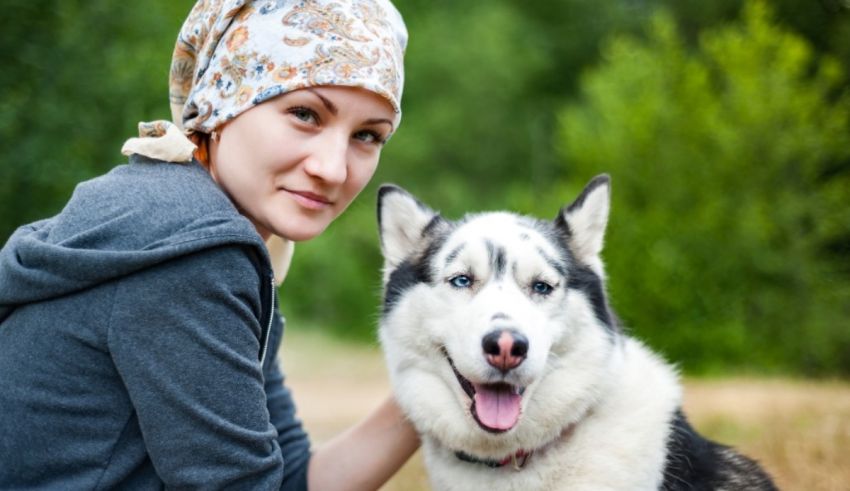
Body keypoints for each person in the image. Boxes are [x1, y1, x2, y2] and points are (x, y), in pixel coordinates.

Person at [0, 0, 419, 489]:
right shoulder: (195, 252)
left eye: (367, 135)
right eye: (304, 113)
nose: (333, 168)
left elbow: (291, 477)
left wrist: (439, 388)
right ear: (223, 101)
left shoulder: (190, 222)